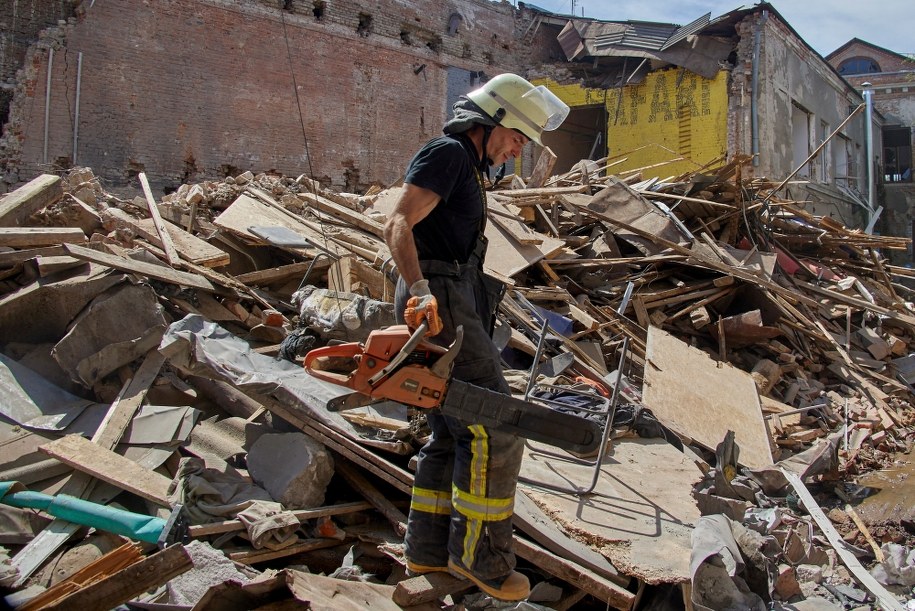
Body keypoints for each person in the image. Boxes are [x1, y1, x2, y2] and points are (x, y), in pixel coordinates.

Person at [382, 73, 569, 601]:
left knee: (454, 430)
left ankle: (427, 551)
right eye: (517, 136)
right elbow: (397, 222)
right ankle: (482, 563)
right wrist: (421, 291)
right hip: (439, 299)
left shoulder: (466, 165)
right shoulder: (446, 154)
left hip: (449, 295)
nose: (519, 148)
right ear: (492, 121)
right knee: (497, 428)